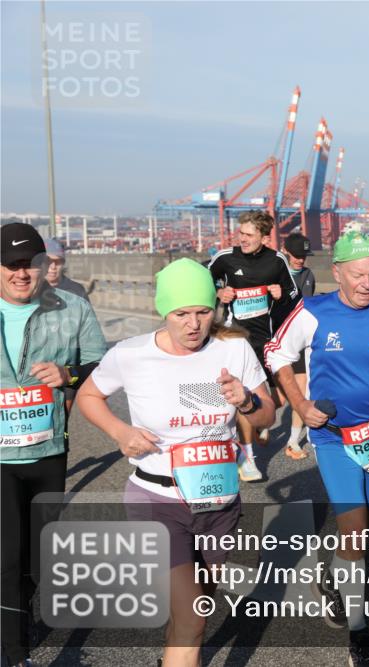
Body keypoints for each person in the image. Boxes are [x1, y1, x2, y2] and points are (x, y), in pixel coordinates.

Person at [77, 258, 275, 667]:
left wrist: (247, 400)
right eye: (181, 314)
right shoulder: (131, 354)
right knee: (192, 620)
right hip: (156, 500)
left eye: (203, 312)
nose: (193, 324)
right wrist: (120, 433)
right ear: (162, 311)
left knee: (193, 613)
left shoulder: (234, 348)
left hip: (218, 503)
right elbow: (87, 396)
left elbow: (267, 416)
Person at [265, 232, 369, 663]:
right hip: (333, 438)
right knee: (356, 531)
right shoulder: (313, 311)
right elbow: (277, 353)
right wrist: (299, 403)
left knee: (361, 525)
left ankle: (332, 575)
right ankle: (359, 630)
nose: (366, 282)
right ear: (336, 272)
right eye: (357, 274)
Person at [1, 223, 107, 667]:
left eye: (32, 264)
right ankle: (13, 651)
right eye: (13, 265)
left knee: (38, 558)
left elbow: (102, 367)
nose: (22, 274)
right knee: (7, 553)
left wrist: (70, 376)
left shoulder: (73, 307)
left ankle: (18, 615)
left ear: (46, 264)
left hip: (48, 451)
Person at [208, 210, 299, 481]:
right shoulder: (225, 258)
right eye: (241, 233)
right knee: (242, 398)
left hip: (267, 343)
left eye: (249, 234)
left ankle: (257, 423)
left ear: (264, 236)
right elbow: (201, 283)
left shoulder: (277, 261)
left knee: (275, 400)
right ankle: (247, 457)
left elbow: (295, 297)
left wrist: (281, 296)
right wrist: (218, 292)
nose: (243, 238)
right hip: (236, 341)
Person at [280, 232, 316, 460]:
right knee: (279, 397)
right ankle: (257, 424)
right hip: (274, 342)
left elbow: (307, 309)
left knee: (301, 391)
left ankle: (293, 441)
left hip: (299, 342)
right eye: (296, 255)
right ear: (285, 252)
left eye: (304, 256)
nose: (300, 260)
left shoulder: (308, 275)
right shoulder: (273, 273)